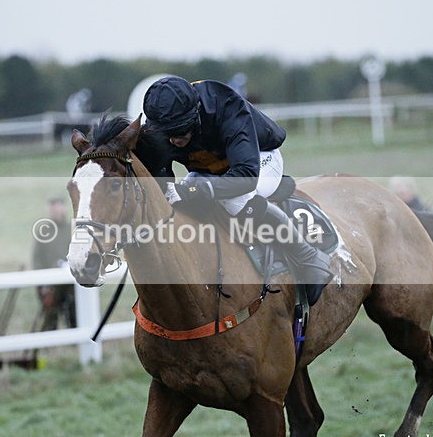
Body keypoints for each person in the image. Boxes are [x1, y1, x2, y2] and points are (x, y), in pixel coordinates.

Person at [142, 75, 332, 304]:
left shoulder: (227, 106)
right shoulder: (159, 124)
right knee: (183, 201)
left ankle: (309, 257)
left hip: (259, 159)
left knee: (234, 200)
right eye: (167, 134)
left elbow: (246, 176)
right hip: (212, 167)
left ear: (195, 115)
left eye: (180, 131)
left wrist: (198, 191)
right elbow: (158, 176)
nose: (173, 141)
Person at [32, 197, 76, 330]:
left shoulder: (72, 229)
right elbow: (37, 259)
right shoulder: (44, 231)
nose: (56, 212)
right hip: (49, 284)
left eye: (59, 208)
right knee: (50, 317)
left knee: (74, 314)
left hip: (70, 282)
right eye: (53, 209)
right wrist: (42, 283)